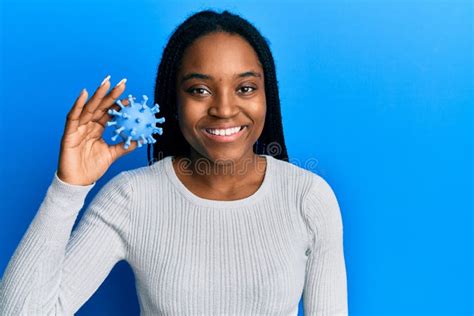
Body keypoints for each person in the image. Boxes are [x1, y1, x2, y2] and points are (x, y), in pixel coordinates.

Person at [0, 9, 348, 315]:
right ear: (173, 102)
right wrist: (68, 188)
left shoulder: (308, 197)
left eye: (245, 88)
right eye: (200, 89)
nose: (224, 109)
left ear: (266, 95)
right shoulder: (131, 198)